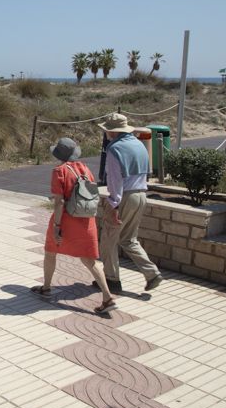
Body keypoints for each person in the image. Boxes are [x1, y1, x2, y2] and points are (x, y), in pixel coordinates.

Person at [32, 138, 117, 313]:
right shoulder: (85, 169)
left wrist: (57, 226)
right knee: (89, 260)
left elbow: (59, 202)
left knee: (50, 251)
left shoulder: (59, 171)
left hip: (67, 219)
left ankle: (46, 287)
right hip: (86, 220)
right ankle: (107, 297)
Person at [97, 113, 163, 293]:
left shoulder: (114, 149)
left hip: (123, 197)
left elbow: (115, 181)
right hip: (141, 194)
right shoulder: (139, 145)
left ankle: (111, 280)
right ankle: (152, 273)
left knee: (108, 240)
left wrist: (113, 205)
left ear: (112, 131)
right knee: (129, 239)